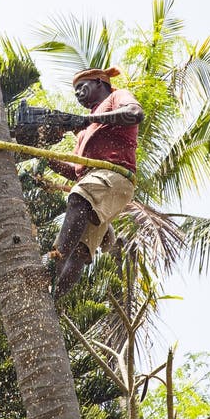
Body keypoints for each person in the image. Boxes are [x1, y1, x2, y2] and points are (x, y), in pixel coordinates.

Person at [47, 66, 143, 297]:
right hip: (98, 180)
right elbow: (77, 171)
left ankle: (53, 264)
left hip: (115, 176)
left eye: (83, 87)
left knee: (79, 198)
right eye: (75, 91)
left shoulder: (116, 97)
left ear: (100, 82)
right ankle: (53, 299)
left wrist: (89, 119)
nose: (78, 93)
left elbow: (135, 113)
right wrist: (45, 154)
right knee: (81, 249)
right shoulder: (84, 132)